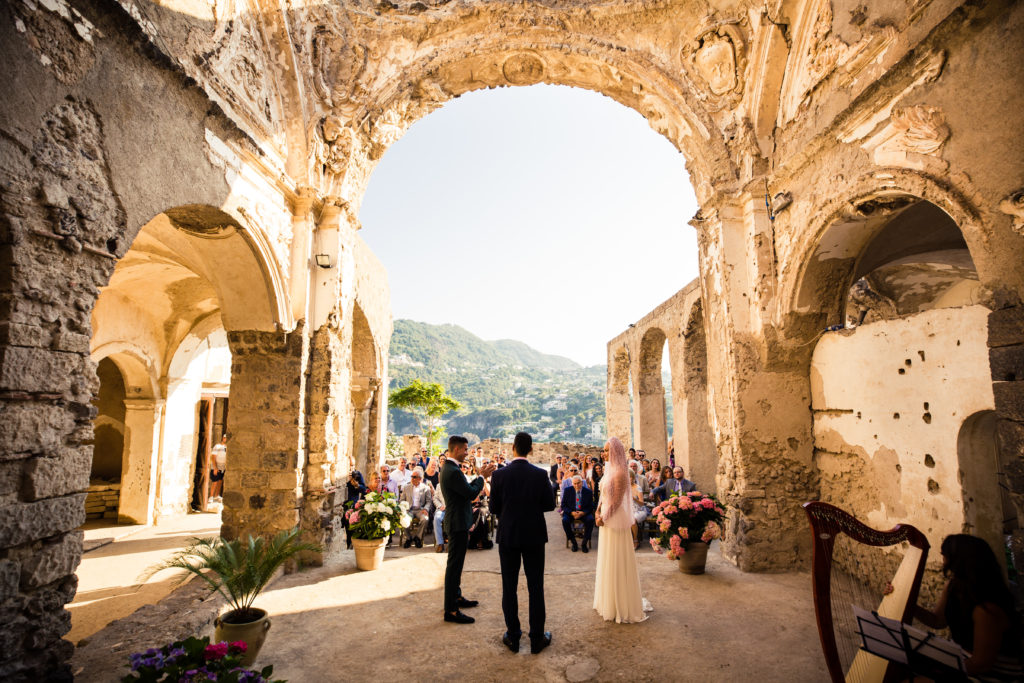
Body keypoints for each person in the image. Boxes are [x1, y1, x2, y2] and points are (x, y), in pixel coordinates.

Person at [912, 534, 1022, 680]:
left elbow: (980, 665)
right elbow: (938, 620)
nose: (942, 561)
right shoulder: (953, 587)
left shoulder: (987, 609)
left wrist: (940, 668)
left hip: (994, 674)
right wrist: (910, 605)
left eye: (945, 556)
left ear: (959, 562)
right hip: (963, 659)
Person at [490, 431, 556, 654]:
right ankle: (537, 638)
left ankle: (513, 636)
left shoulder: (499, 475)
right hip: (534, 536)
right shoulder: (539, 474)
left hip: (508, 535)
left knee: (509, 587)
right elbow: (549, 505)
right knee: (535, 587)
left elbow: (493, 508)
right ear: (531, 449)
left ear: (512, 448)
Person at [593, 437, 652, 624]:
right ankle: (607, 600)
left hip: (614, 519)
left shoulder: (620, 473)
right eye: (603, 450)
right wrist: (597, 511)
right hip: (605, 517)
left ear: (615, 452)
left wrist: (603, 517)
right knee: (607, 558)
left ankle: (620, 603)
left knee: (616, 558)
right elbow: (603, 496)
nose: (603, 453)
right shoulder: (608, 471)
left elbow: (617, 502)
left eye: (606, 450)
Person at [440, 435, 496, 624]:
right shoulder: (453, 471)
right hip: (457, 523)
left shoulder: (451, 468)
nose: (467, 452)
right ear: (455, 449)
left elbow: (465, 489)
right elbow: (471, 493)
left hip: (457, 521)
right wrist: (482, 476)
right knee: (454, 567)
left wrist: (479, 477)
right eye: (465, 449)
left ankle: (456, 597)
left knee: (456, 565)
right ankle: (451, 610)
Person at [561, 475, 595, 553]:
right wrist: (571, 512)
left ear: (582, 482)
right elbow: (563, 505)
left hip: (583, 512)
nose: (576, 485)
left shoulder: (588, 492)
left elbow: (591, 506)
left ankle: (584, 543)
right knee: (565, 521)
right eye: (574, 483)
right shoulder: (567, 490)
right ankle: (574, 542)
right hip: (571, 512)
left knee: (591, 520)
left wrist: (583, 512)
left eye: (578, 483)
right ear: (572, 483)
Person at [400, 468, 432, 548]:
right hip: (409, 510)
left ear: (420, 479)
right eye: (411, 476)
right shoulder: (406, 487)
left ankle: (418, 537)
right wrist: (403, 510)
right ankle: (408, 538)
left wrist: (425, 509)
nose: (412, 478)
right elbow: (402, 500)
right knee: (403, 519)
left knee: (425, 519)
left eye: (414, 477)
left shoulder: (426, 488)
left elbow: (429, 501)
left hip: (420, 510)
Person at [342, 469, 367, 549]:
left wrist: (357, 485)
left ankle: (350, 544)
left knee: (351, 528)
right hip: (342, 505)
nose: (351, 468)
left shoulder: (357, 474)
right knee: (345, 527)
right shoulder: (342, 474)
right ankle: (348, 544)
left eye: (353, 466)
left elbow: (364, 490)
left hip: (352, 506)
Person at [629, 470, 649, 549]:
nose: (628, 479)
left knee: (633, 520)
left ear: (633, 478)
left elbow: (642, 503)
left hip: (639, 510)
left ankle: (635, 540)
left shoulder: (638, 488)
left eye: (630, 477)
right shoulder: (624, 488)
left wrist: (634, 498)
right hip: (628, 510)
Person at [209, 434, 228, 501]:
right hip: (216, 466)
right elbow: (213, 457)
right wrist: (215, 467)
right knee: (215, 481)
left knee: (220, 481)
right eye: (225, 438)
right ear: (223, 438)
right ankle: (211, 497)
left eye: (227, 438)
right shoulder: (217, 446)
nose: (225, 439)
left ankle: (216, 496)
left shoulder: (227, 447)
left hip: (223, 467)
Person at [432, 483, 447, 553]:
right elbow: (435, 498)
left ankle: (451, 543)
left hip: (452, 509)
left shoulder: (455, 483)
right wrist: (440, 506)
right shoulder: (439, 485)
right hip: (442, 508)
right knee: (437, 518)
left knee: (453, 520)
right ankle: (440, 543)